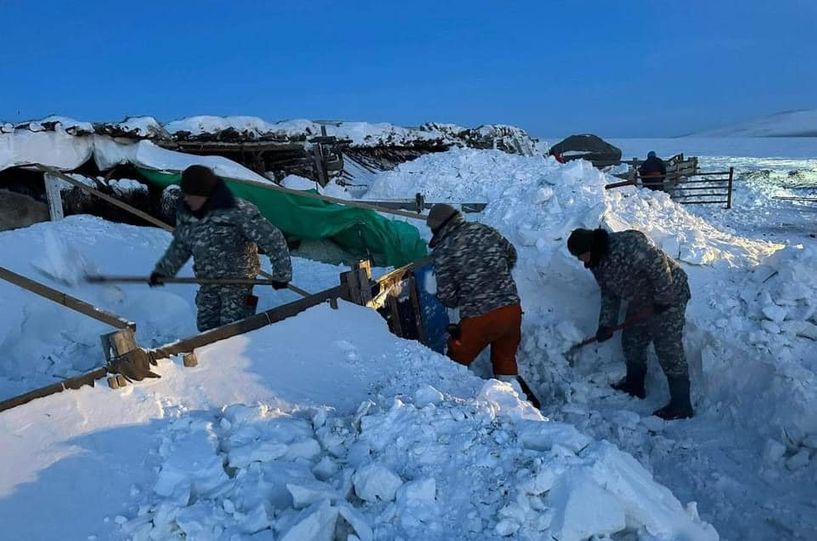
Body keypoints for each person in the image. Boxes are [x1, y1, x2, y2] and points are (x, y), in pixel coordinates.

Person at [567, 227, 693, 420]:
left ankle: (681, 405)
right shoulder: (596, 263)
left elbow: (659, 265)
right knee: (633, 338)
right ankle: (635, 385)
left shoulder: (627, 245)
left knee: (667, 346)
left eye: (580, 255)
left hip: (670, 292)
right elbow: (609, 293)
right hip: (642, 299)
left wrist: (664, 298)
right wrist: (606, 324)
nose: (580, 260)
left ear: (590, 247)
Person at [151, 165, 292, 332]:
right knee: (205, 328)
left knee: (232, 331)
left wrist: (282, 275)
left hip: (237, 284)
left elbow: (273, 240)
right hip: (208, 283)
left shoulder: (238, 211)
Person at [426, 203, 540, 408]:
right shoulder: (484, 229)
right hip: (511, 310)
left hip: (480, 318)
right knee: (505, 359)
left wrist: (461, 296)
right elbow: (511, 254)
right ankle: (516, 406)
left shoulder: (443, 250)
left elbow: (448, 296)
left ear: (437, 229)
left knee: (453, 364)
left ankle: (450, 407)